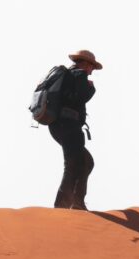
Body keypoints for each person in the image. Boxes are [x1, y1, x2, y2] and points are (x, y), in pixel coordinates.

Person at [42, 49, 101, 209]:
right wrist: (91, 89)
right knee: (74, 163)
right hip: (69, 125)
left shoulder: (67, 75)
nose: (92, 71)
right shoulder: (79, 75)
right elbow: (80, 97)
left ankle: (77, 201)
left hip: (56, 125)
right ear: (85, 63)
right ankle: (63, 204)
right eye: (92, 67)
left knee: (86, 162)